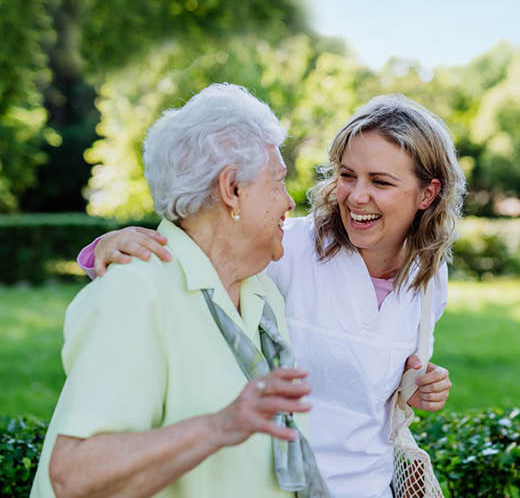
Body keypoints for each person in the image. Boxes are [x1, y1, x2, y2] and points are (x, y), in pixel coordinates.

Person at [79, 93, 465, 498]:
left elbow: (374, 378)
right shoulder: (288, 248)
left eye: (381, 182)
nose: (355, 196)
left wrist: (416, 384)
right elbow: (192, 263)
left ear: (427, 194)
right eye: (347, 175)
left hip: (371, 486)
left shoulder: (428, 278)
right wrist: (109, 248)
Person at [31, 83, 332, 498]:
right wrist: (222, 425)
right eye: (278, 181)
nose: (288, 203)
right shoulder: (136, 290)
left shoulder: (262, 295)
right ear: (232, 190)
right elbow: (76, 474)